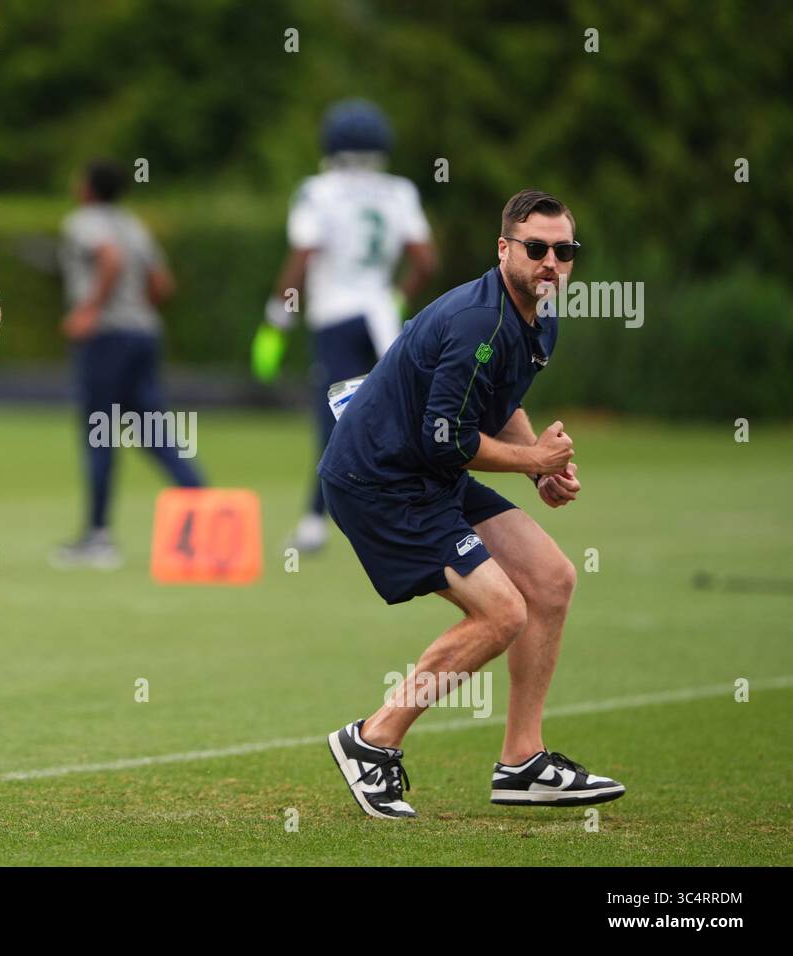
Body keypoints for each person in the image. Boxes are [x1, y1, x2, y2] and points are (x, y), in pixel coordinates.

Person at [319, 189, 625, 819]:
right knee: (501, 613)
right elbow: (446, 437)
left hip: (431, 474)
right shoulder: (474, 323)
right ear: (504, 249)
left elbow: (501, 401)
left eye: (563, 251)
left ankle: (523, 762)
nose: (550, 262)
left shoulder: (542, 313)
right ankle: (371, 741)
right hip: (381, 480)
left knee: (551, 580)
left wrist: (536, 467)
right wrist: (533, 462)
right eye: (535, 248)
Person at [253, 100, 437, 553]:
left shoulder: (318, 191)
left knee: (333, 419)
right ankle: (423, 512)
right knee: (402, 415)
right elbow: (426, 261)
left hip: (335, 315)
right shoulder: (399, 191)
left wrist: (277, 319)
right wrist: (397, 295)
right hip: (382, 317)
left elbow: (301, 256)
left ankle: (315, 523)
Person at [51, 159, 204, 569]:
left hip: (106, 339)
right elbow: (162, 284)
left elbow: (110, 259)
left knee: (100, 433)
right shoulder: (135, 224)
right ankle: (204, 507)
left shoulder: (83, 222)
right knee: (153, 429)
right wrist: (136, 311)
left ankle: (98, 537)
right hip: (144, 334)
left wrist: (90, 310)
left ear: (88, 187)